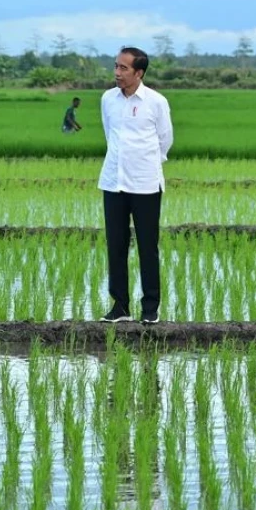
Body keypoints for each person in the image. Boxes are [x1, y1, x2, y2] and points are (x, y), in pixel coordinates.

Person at [98, 47, 172, 325]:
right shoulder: (108, 99)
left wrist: (143, 163)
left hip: (145, 184)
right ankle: (120, 306)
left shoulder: (156, 102)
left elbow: (165, 140)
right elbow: (110, 134)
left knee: (147, 246)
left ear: (139, 73)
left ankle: (150, 307)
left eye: (123, 68)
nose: (117, 73)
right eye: (116, 67)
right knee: (115, 245)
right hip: (113, 181)